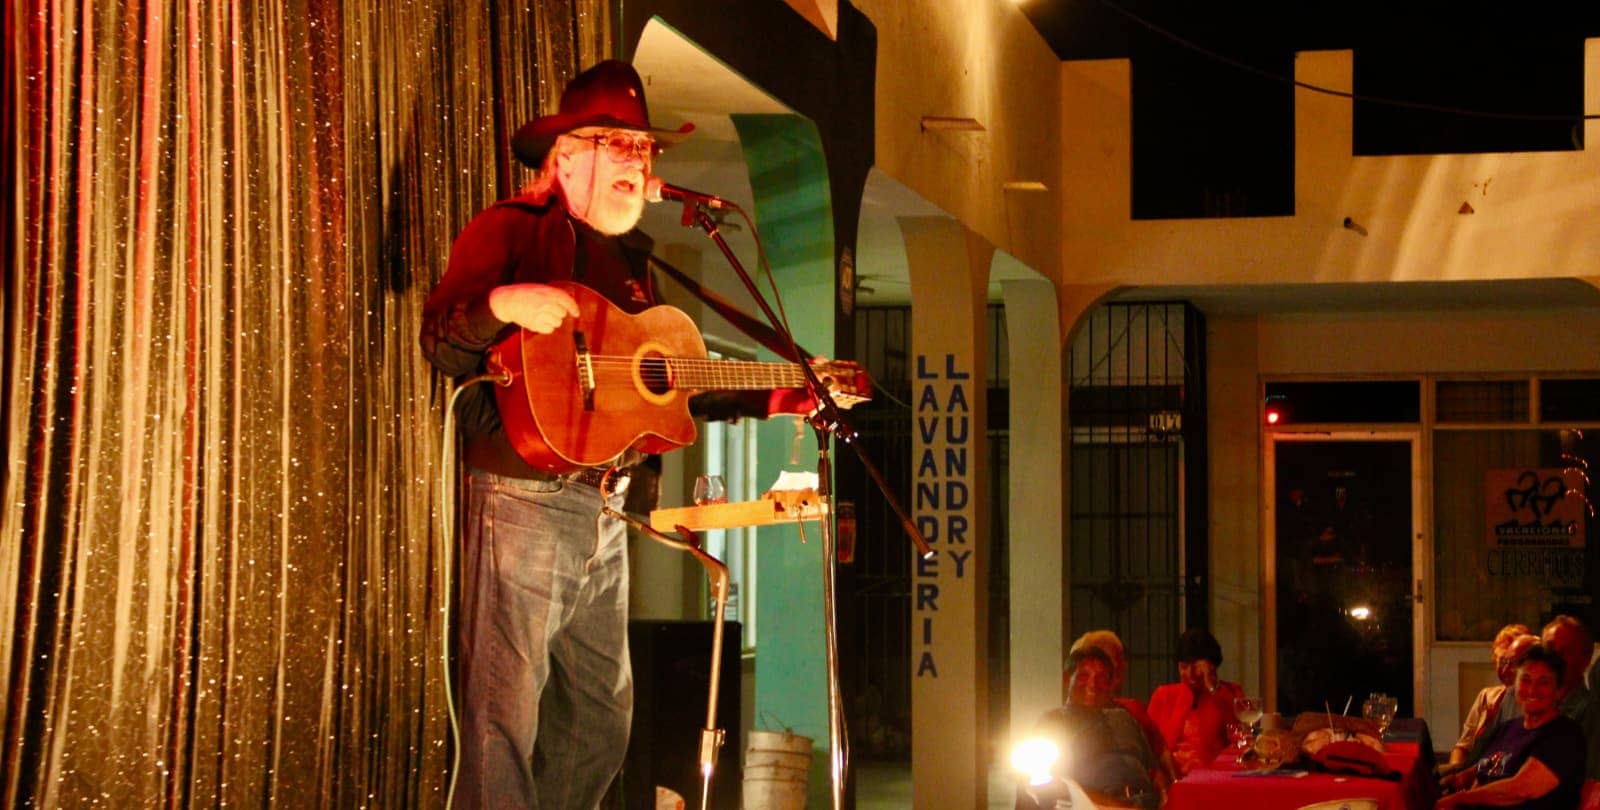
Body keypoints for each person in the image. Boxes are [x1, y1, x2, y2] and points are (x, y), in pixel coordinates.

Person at [421, 60, 810, 809]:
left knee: (600, 718)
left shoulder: (635, 270)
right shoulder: (511, 229)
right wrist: (504, 300)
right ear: (565, 157)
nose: (638, 161)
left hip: (605, 508)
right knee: (503, 715)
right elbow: (441, 338)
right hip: (521, 496)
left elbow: (662, 394)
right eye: (617, 144)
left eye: (644, 148)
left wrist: (792, 392)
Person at [1437, 645, 1587, 809]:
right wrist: (1459, 779)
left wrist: (1461, 799)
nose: (1532, 689)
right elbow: (1489, 765)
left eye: (1543, 682)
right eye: (1525, 680)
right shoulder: (1507, 728)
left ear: (1559, 691)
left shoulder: (1565, 735)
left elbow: (1520, 789)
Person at [1022, 647, 1164, 809]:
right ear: (1067, 679)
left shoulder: (1123, 717)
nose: (1092, 684)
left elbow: (1153, 770)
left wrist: (1165, 794)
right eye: (1083, 676)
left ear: (1110, 684)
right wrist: (1116, 806)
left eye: (1101, 678)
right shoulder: (1052, 723)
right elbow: (1052, 785)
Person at [1068, 630, 1175, 787]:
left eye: (1119, 659)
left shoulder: (1128, 714)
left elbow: (1158, 759)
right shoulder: (1056, 723)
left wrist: (1173, 787)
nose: (1119, 666)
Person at [1145, 628, 1245, 776]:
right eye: (1184, 667)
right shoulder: (1164, 695)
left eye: (1197, 667)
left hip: (1216, 779)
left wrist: (1212, 686)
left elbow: (1242, 736)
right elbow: (1148, 747)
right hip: (1171, 781)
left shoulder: (1230, 693)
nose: (1190, 674)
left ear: (1211, 666)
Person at [1444, 626, 1537, 772]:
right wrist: (1455, 770)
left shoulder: (1533, 707)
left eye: (1513, 663)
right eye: (1502, 661)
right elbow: (1462, 747)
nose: (1506, 670)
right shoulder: (1486, 696)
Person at [1538, 615, 1599, 779]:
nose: (1554, 658)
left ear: (1585, 660)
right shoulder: (1519, 699)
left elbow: (1588, 780)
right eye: (1549, 649)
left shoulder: (1592, 712)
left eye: (1566, 651)